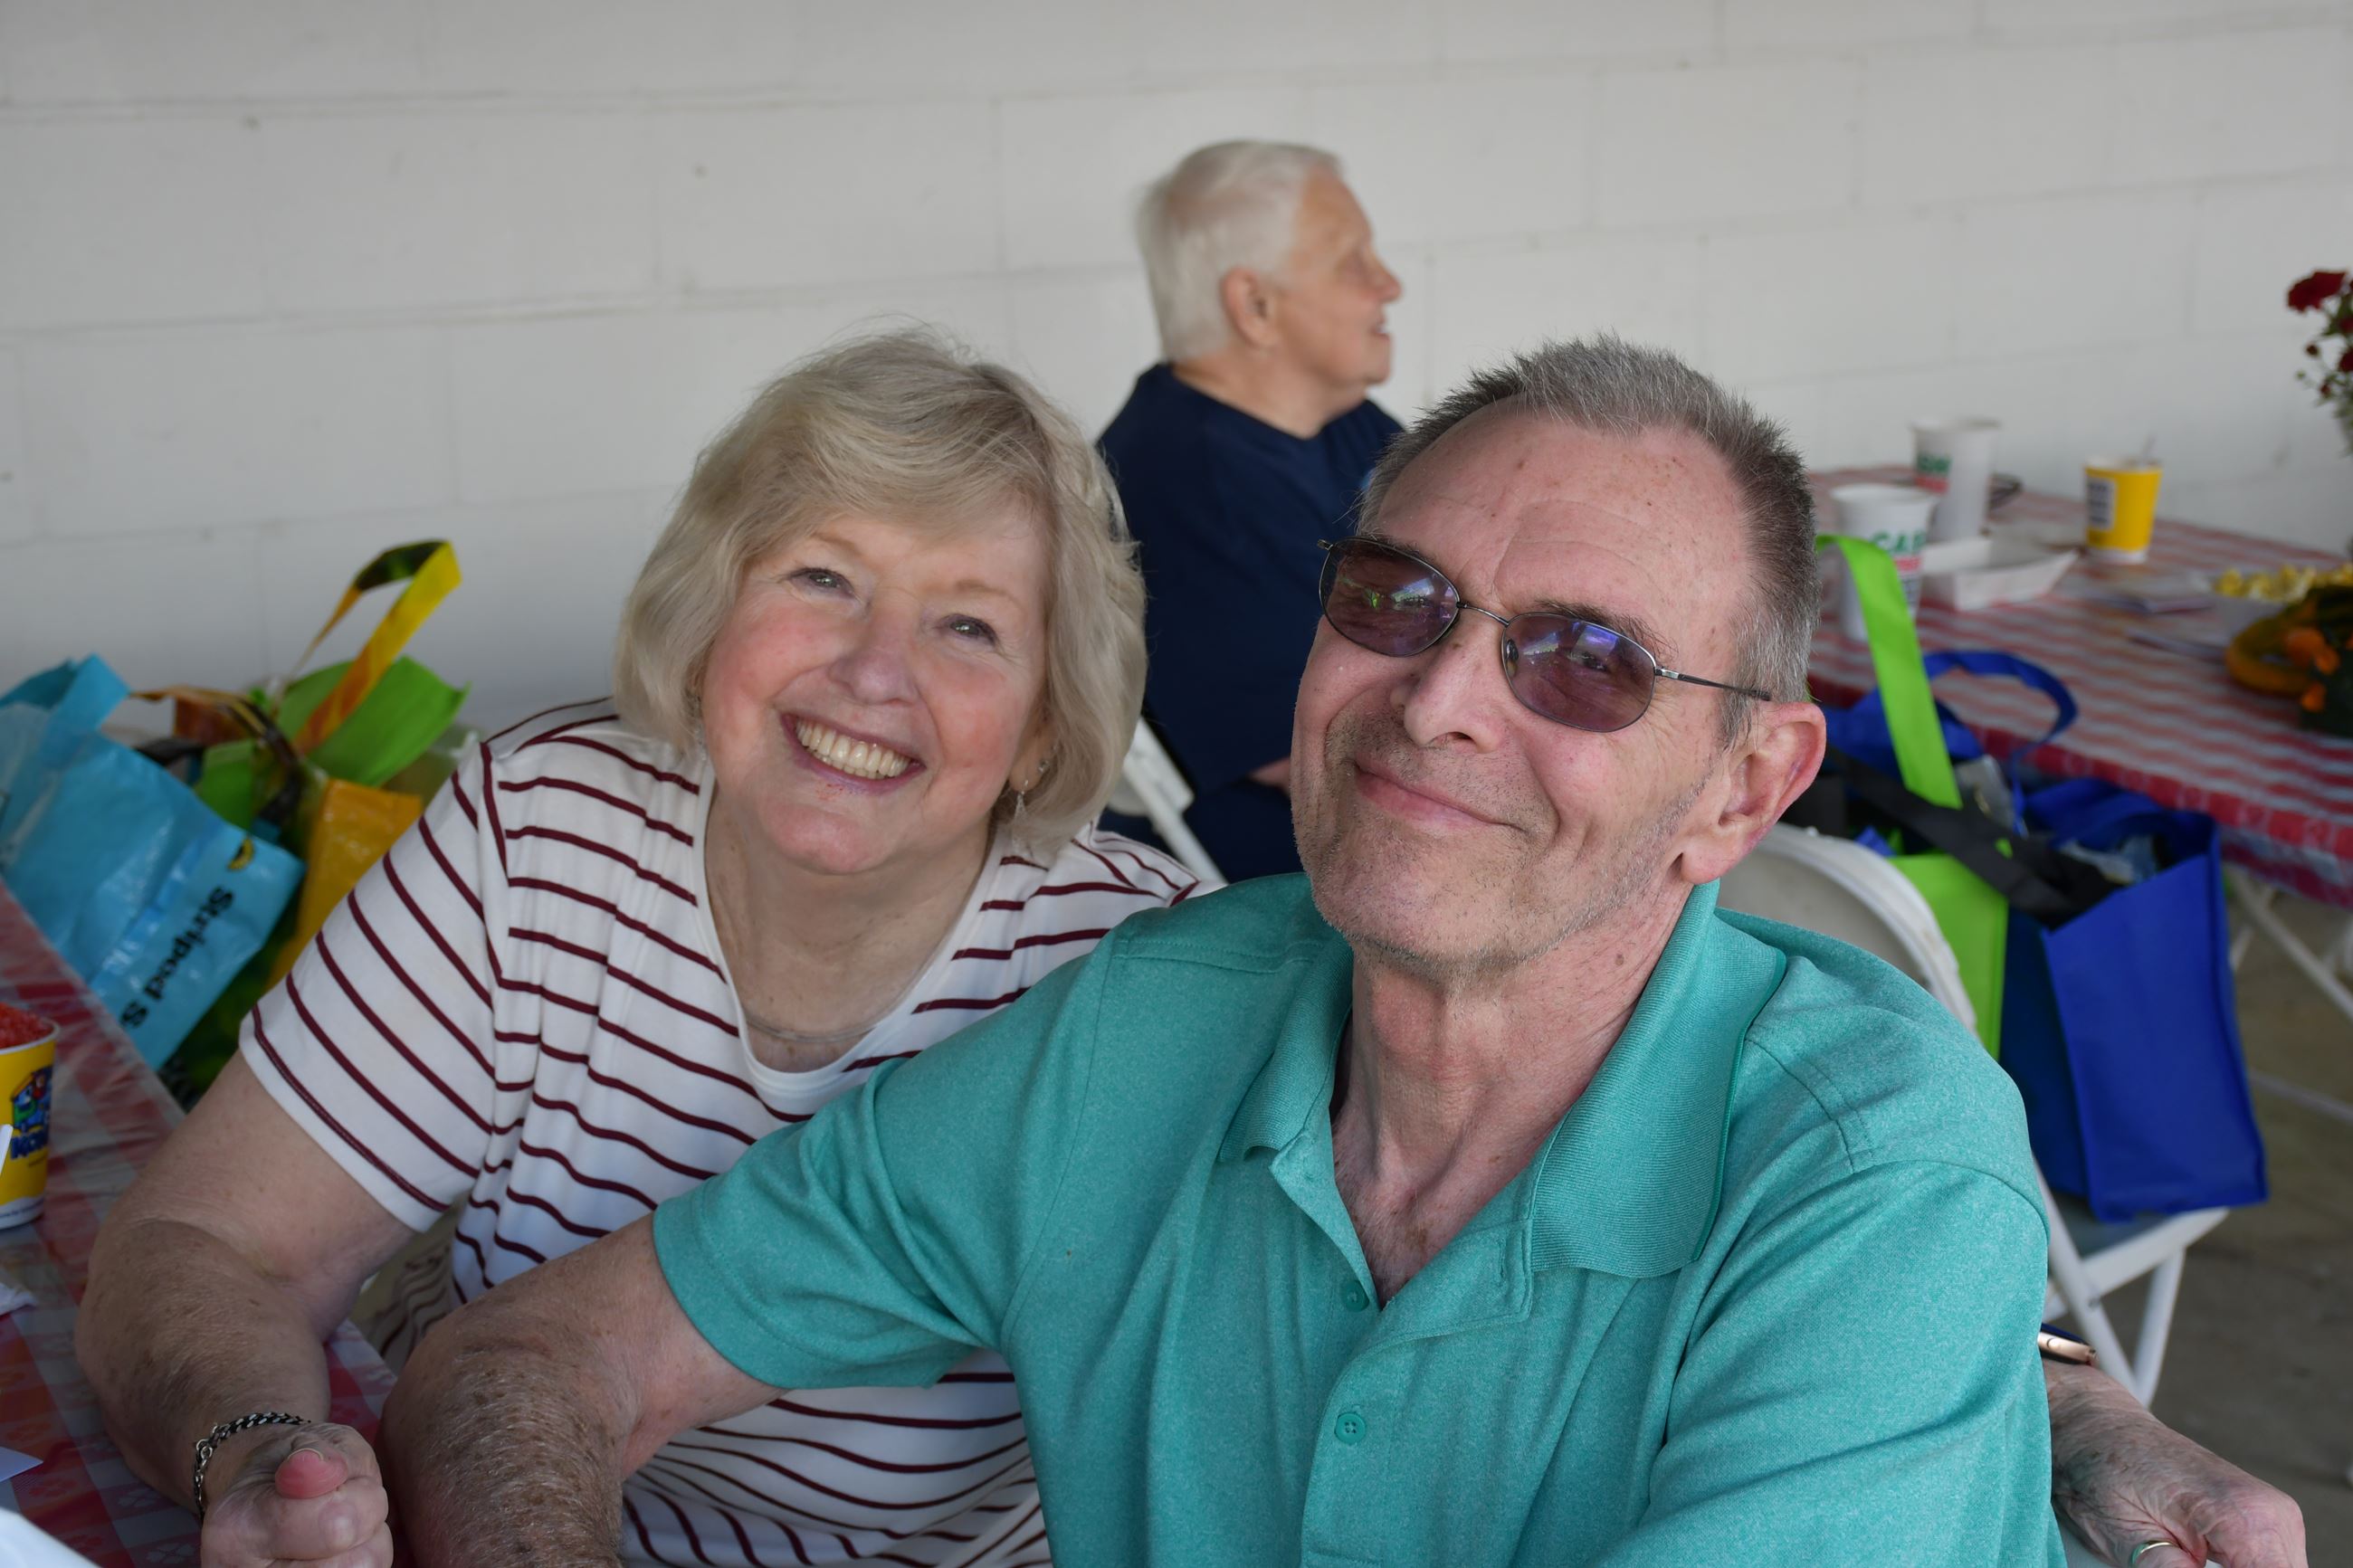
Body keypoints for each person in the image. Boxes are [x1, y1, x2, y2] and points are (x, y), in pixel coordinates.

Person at [380, 338, 2308, 1568]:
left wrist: (2031, 1371)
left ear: (1741, 786)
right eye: (1396, 599)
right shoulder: (1149, 1018)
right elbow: (540, 1356)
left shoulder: (1871, 1166)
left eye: (1587, 657)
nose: (1440, 700)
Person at [74, 331, 1199, 1568]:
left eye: (969, 626)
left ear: (1045, 726)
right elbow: (213, 1242)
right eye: (824, 577)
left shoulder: (1123, 973)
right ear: (712, 611)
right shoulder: (543, 826)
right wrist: (259, 1459)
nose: (875, 671)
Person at [1100, 140, 1402, 879]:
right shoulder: (1188, 484)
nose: (1387, 285)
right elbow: (1338, 751)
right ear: (1255, 305)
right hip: (1294, 912)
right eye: (1352, 261)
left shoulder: (1338, 421)